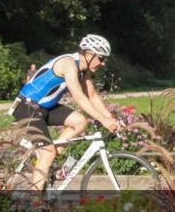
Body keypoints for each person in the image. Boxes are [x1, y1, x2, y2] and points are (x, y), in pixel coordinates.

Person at [11, 34, 119, 190]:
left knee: (79, 121)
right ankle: (33, 205)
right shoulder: (69, 64)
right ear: (89, 54)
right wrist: (103, 121)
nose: (103, 63)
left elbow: (91, 95)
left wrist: (109, 117)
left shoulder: (83, 69)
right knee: (46, 153)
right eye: (101, 59)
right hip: (26, 107)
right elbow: (80, 98)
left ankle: (50, 162)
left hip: (44, 108)